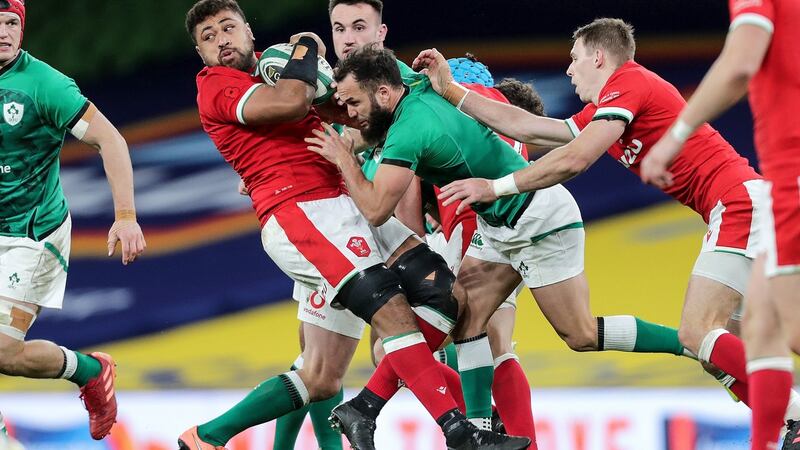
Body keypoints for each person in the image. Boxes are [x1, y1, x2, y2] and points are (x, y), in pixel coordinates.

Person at [415, 16, 800, 426]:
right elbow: (525, 125)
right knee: (732, 351)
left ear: (598, 57)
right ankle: (790, 422)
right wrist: (452, 91)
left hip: (738, 205)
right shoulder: (606, 110)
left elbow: (576, 160)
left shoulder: (629, 83)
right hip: (744, 207)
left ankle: (795, 419)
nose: (568, 70)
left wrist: (495, 188)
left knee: (696, 333)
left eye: (574, 58)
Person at [307, 43, 693, 450]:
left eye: (353, 103)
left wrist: (343, 155)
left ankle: (685, 342)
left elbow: (376, 209)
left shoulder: (409, 132)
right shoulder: (411, 81)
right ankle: (468, 431)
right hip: (494, 225)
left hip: (536, 217)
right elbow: (372, 76)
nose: (349, 113)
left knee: (576, 334)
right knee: (465, 317)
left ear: (385, 93)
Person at [179, 1, 528, 450]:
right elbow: (291, 102)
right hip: (303, 213)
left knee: (329, 370)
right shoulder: (217, 85)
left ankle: (208, 436)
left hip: (346, 204)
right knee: (393, 314)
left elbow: (350, 122)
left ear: (248, 31)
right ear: (200, 52)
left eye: (229, 28)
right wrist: (308, 45)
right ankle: (462, 433)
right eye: (209, 37)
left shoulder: (281, 70)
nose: (222, 41)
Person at [640, 1, 800, 449]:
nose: (570, 69)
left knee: (775, 328)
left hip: (789, 177)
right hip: (778, 185)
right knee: (764, 329)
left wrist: (675, 136)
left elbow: (740, 61)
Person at [0, 0, 146, 441]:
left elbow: (111, 141)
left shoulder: (44, 85)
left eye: (11, 23)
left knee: (3, 351)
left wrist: (125, 217)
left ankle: (89, 370)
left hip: (33, 234)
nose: (4, 33)